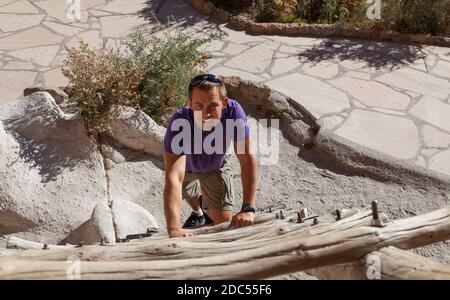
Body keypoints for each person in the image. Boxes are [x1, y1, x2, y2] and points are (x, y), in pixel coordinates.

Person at [163, 74, 258, 238]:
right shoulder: (179, 122)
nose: (205, 113)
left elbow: (246, 159)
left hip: (215, 167)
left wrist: (248, 209)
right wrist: (174, 229)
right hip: (186, 169)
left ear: (224, 102)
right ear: (190, 104)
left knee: (223, 223)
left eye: (213, 106)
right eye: (199, 105)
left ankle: (203, 207)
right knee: (188, 190)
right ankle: (198, 210)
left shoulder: (234, 113)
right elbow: (174, 178)